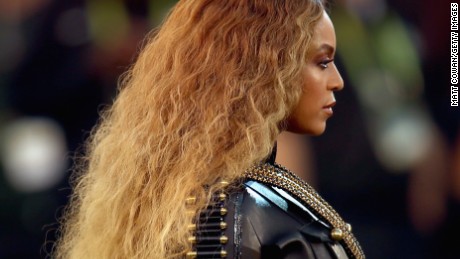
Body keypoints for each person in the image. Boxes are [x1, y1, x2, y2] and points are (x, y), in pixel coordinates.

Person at [53, 0, 365, 258]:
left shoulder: (244, 198)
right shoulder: (235, 212)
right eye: (322, 62)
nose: (337, 80)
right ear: (266, 67)